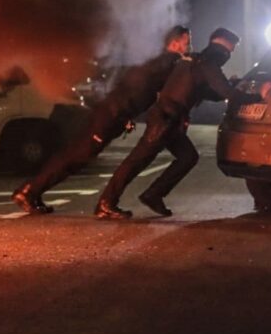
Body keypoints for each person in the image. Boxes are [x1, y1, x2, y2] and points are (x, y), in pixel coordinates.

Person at [11, 25, 192, 214]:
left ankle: (33, 192)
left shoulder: (154, 61)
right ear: (175, 42)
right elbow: (140, 90)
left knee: (76, 156)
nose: (188, 46)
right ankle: (29, 191)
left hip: (112, 113)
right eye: (186, 42)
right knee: (75, 156)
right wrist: (184, 62)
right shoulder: (166, 62)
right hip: (110, 115)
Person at [94, 28, 263, 220]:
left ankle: (153, 195)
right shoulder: (207, 64)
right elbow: (227, 94)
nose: (229, 55)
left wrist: (232, 85)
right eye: (229, 50)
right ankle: (107, 203)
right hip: (165, 120)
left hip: (169, 120)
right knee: (137, 161)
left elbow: (209, 92)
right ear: (220, 47)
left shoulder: (195, 61)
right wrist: (258, 97)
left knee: (187, 157)